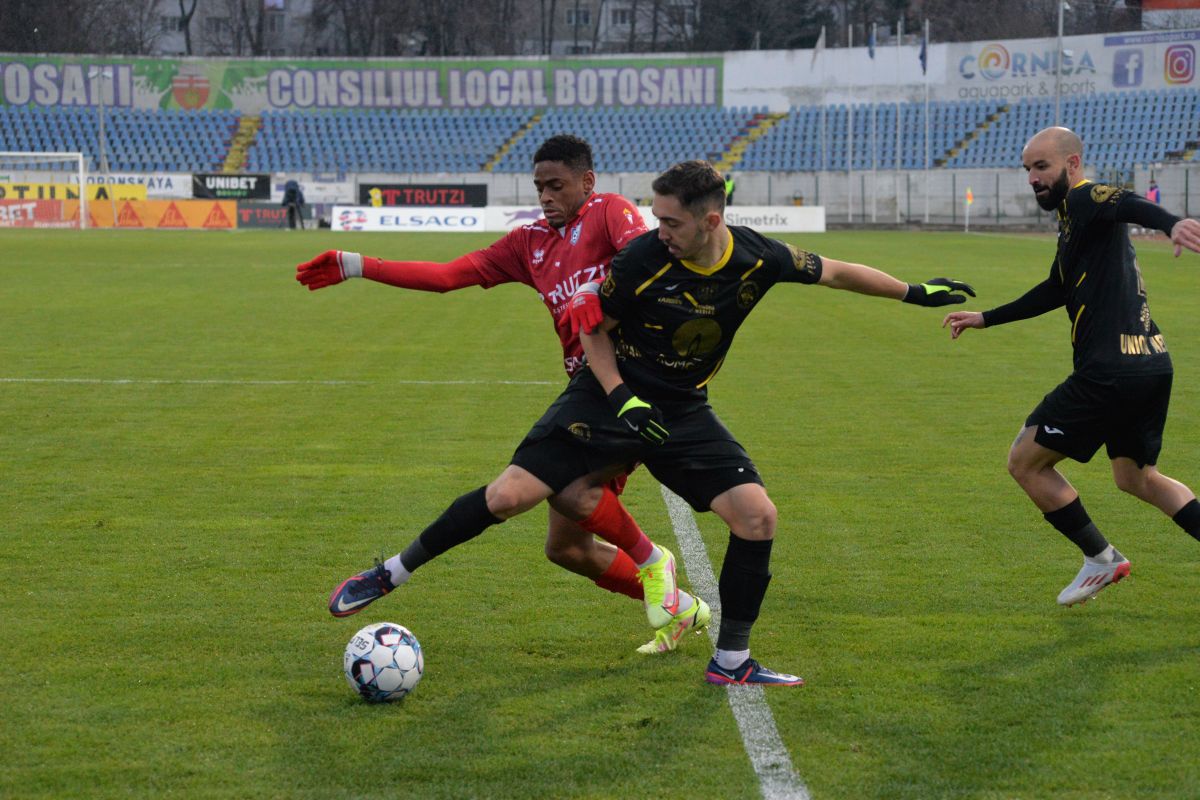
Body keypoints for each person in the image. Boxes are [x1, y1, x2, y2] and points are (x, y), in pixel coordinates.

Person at [329, 158, 975, 685]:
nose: (656, 229)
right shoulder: (641, 259)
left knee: (759, 517)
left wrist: (915, 292)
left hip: (682, 409)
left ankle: (731, 663)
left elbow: (835, 272)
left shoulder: (756, 258)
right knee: (508, 497)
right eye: (655, 216)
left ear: (710, 221)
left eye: (669, 220)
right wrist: (619, 396)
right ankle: (389, 574)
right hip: (604, 397)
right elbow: (594, 332)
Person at [298, 134, 710, 655]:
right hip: (587, 392)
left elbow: (647, 258)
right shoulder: (529, 244)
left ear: (587, 182)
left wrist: (595, 292)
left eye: (556, 185)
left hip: (635, 384)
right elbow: (450, 275)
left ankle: (391, 573)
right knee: (566, 548)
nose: (545, 196)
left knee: (517, 494)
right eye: (538, 187)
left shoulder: (609, 211)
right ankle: (680, 604)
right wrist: (356, 264)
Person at [944, 126, 1200, 607]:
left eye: (1042, 167)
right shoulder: (1074, 224)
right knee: (1136, 478)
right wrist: (986, 318)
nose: (1033, 179)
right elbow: (1056, 287)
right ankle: (1103, 558)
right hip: (1150, 363)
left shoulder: (1085, 199)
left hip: (1109, 371)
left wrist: (1170, 223)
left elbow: (1122, 200)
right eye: (1028, 170)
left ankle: (1101, 559)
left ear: (1073, 164)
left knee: (1025, 461)